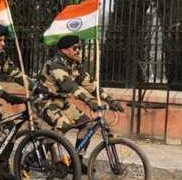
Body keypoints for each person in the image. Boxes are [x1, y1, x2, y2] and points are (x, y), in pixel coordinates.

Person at [35, 34, 123, 165]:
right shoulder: (56, 65)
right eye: (75, 48)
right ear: (64, 50)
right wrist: (88, 101)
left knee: (87, 124)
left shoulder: (74, 64)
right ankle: (35, 157)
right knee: (63, 125)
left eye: (79, 47)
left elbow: (89, 84)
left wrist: (110, 100)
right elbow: (70, 86)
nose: (78, 50)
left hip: (60, 102)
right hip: (43, 101)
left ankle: (76, 162)